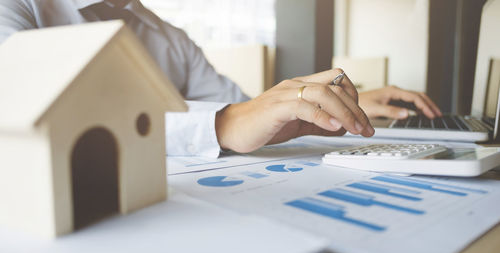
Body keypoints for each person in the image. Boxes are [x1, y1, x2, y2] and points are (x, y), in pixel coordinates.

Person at [0, 0, 442, 157]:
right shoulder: (18, 7)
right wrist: (220, 124)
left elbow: (246, 108)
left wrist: (343, 98)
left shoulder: (171, 38)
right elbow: (22, 109)